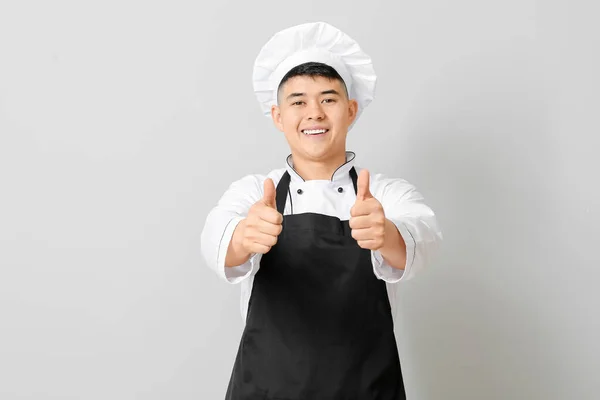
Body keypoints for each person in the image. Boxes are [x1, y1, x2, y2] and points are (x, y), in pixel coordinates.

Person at [201, 21, 443, 400]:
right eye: (298, 101)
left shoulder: (384, 194)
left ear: (350, 110)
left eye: (328, 99)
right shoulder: (254, 193)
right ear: (278, 116)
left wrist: (389, 234)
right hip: (266, 391)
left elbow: (424, 237)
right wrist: (244, 236)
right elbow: (216, 237)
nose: (314, 113)